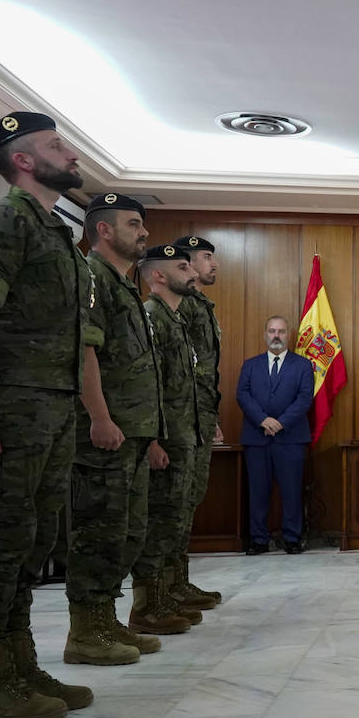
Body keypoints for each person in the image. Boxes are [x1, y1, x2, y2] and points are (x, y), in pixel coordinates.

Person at [0, 111, 94, 718]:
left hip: (51, 409)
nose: (72, 153)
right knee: (0, 546)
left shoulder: (51, 228)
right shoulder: (6, 220)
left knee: (31, 543)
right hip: (13, 407)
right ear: (23, 159)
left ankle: (20, 664)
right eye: (57, 145)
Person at [64, 194, 163, 666]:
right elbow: (84, 352)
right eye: (133, 224)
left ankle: (105, 622)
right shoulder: (93, 278)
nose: (143, 233)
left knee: (125, 533)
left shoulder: (123, 287)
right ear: (104, 230)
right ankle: (85, 633)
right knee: (98, 534)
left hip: (132, 435)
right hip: (105, 434)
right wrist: (100, 417)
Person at [129, 244, 205, 636]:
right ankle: (148, 605)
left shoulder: (175, 319)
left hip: (183, 433)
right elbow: (149, 383)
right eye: (182, 266)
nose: (192, 272)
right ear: (158, 275)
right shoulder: (152, 317)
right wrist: (155, 439)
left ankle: (166, 594)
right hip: (165, 437)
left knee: (175, 517)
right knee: (158, 520)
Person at [236, 316, 313, 555]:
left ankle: (292, 538)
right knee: (258, 491)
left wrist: (280, 423)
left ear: (288, 334)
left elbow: (304, 398)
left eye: (280, 331)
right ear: (265, 334)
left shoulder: (302, 365)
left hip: (290, 438)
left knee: (291, 491)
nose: (276, 336)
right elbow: (243, 395)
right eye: (272, 331)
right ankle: (259, 539)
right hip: (257, 438)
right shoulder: (250, 365)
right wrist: (263, 420)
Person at [177, 236, 224, 606]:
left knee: (189, 498)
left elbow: (204, 372)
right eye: (207, 257)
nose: (214, 264)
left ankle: (177, 581)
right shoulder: (180, 306)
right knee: (175, 501)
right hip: (181, 417)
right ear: (186, 262)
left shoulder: (200, 304)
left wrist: (211, 417)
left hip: (199, 414)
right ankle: (164, 589)